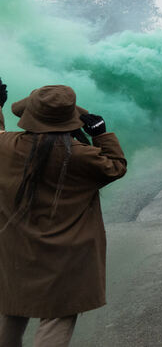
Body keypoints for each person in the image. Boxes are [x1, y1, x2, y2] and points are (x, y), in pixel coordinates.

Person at [0, 82, 127, 346]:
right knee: (58, 317)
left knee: (12, 308)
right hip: (68, 255)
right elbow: (116, 167)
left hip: (17, 248)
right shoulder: (82, 156)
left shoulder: (6, 146)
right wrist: (101, 135)